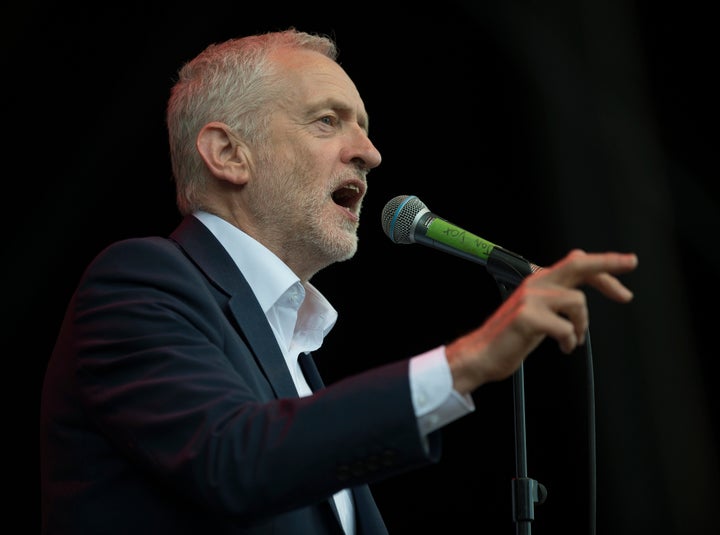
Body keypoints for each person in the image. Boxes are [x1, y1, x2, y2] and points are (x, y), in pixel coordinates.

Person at [39, 28, 639, 535]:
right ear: (227, 153)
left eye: (365, 127)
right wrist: (468, 362)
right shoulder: (139, 284)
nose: (371, 153)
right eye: (328, 122)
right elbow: (232, 460)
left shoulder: (294, 352)